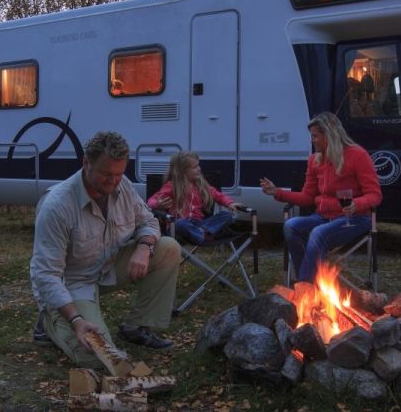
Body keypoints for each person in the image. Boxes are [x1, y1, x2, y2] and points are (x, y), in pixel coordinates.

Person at [30, 131, 182, 368]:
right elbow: (46, 274)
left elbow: (149, 221)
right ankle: (50, 319)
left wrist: (144, 246)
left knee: (168, 248)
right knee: (97, 357)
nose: (113, 182)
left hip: (108, 266)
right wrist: (77, 320)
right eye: (106, 174)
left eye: (119, 174)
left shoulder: (124, 187)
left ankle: (136, 327)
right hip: (72, 283)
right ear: (86, 163)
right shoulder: (57, 206)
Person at [260, 112, 382, 283]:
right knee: (291, 225)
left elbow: (375, 195)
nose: (312, 140)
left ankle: (304, 288)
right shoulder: (314, 161)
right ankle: (309, 282)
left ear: (329, 135)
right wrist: (278, 192)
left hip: (354, 217)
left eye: (315, 136)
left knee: (318, 233)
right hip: (322, 217)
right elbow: (307, 197)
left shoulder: (358, 155)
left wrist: (356, 204)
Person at [147, 151, 245, 244]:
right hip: (178, 227)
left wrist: (230, 203)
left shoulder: (201, 185)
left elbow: (218, 195)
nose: (199, 169)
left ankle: (201, 233)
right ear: (182, 171)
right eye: (195, 167)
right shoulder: (172, 186)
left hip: (199, 224)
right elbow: (150, 201)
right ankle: (203, 236)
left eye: (198, 165)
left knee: (226, 215)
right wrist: (158, 203)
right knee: (181, 223)